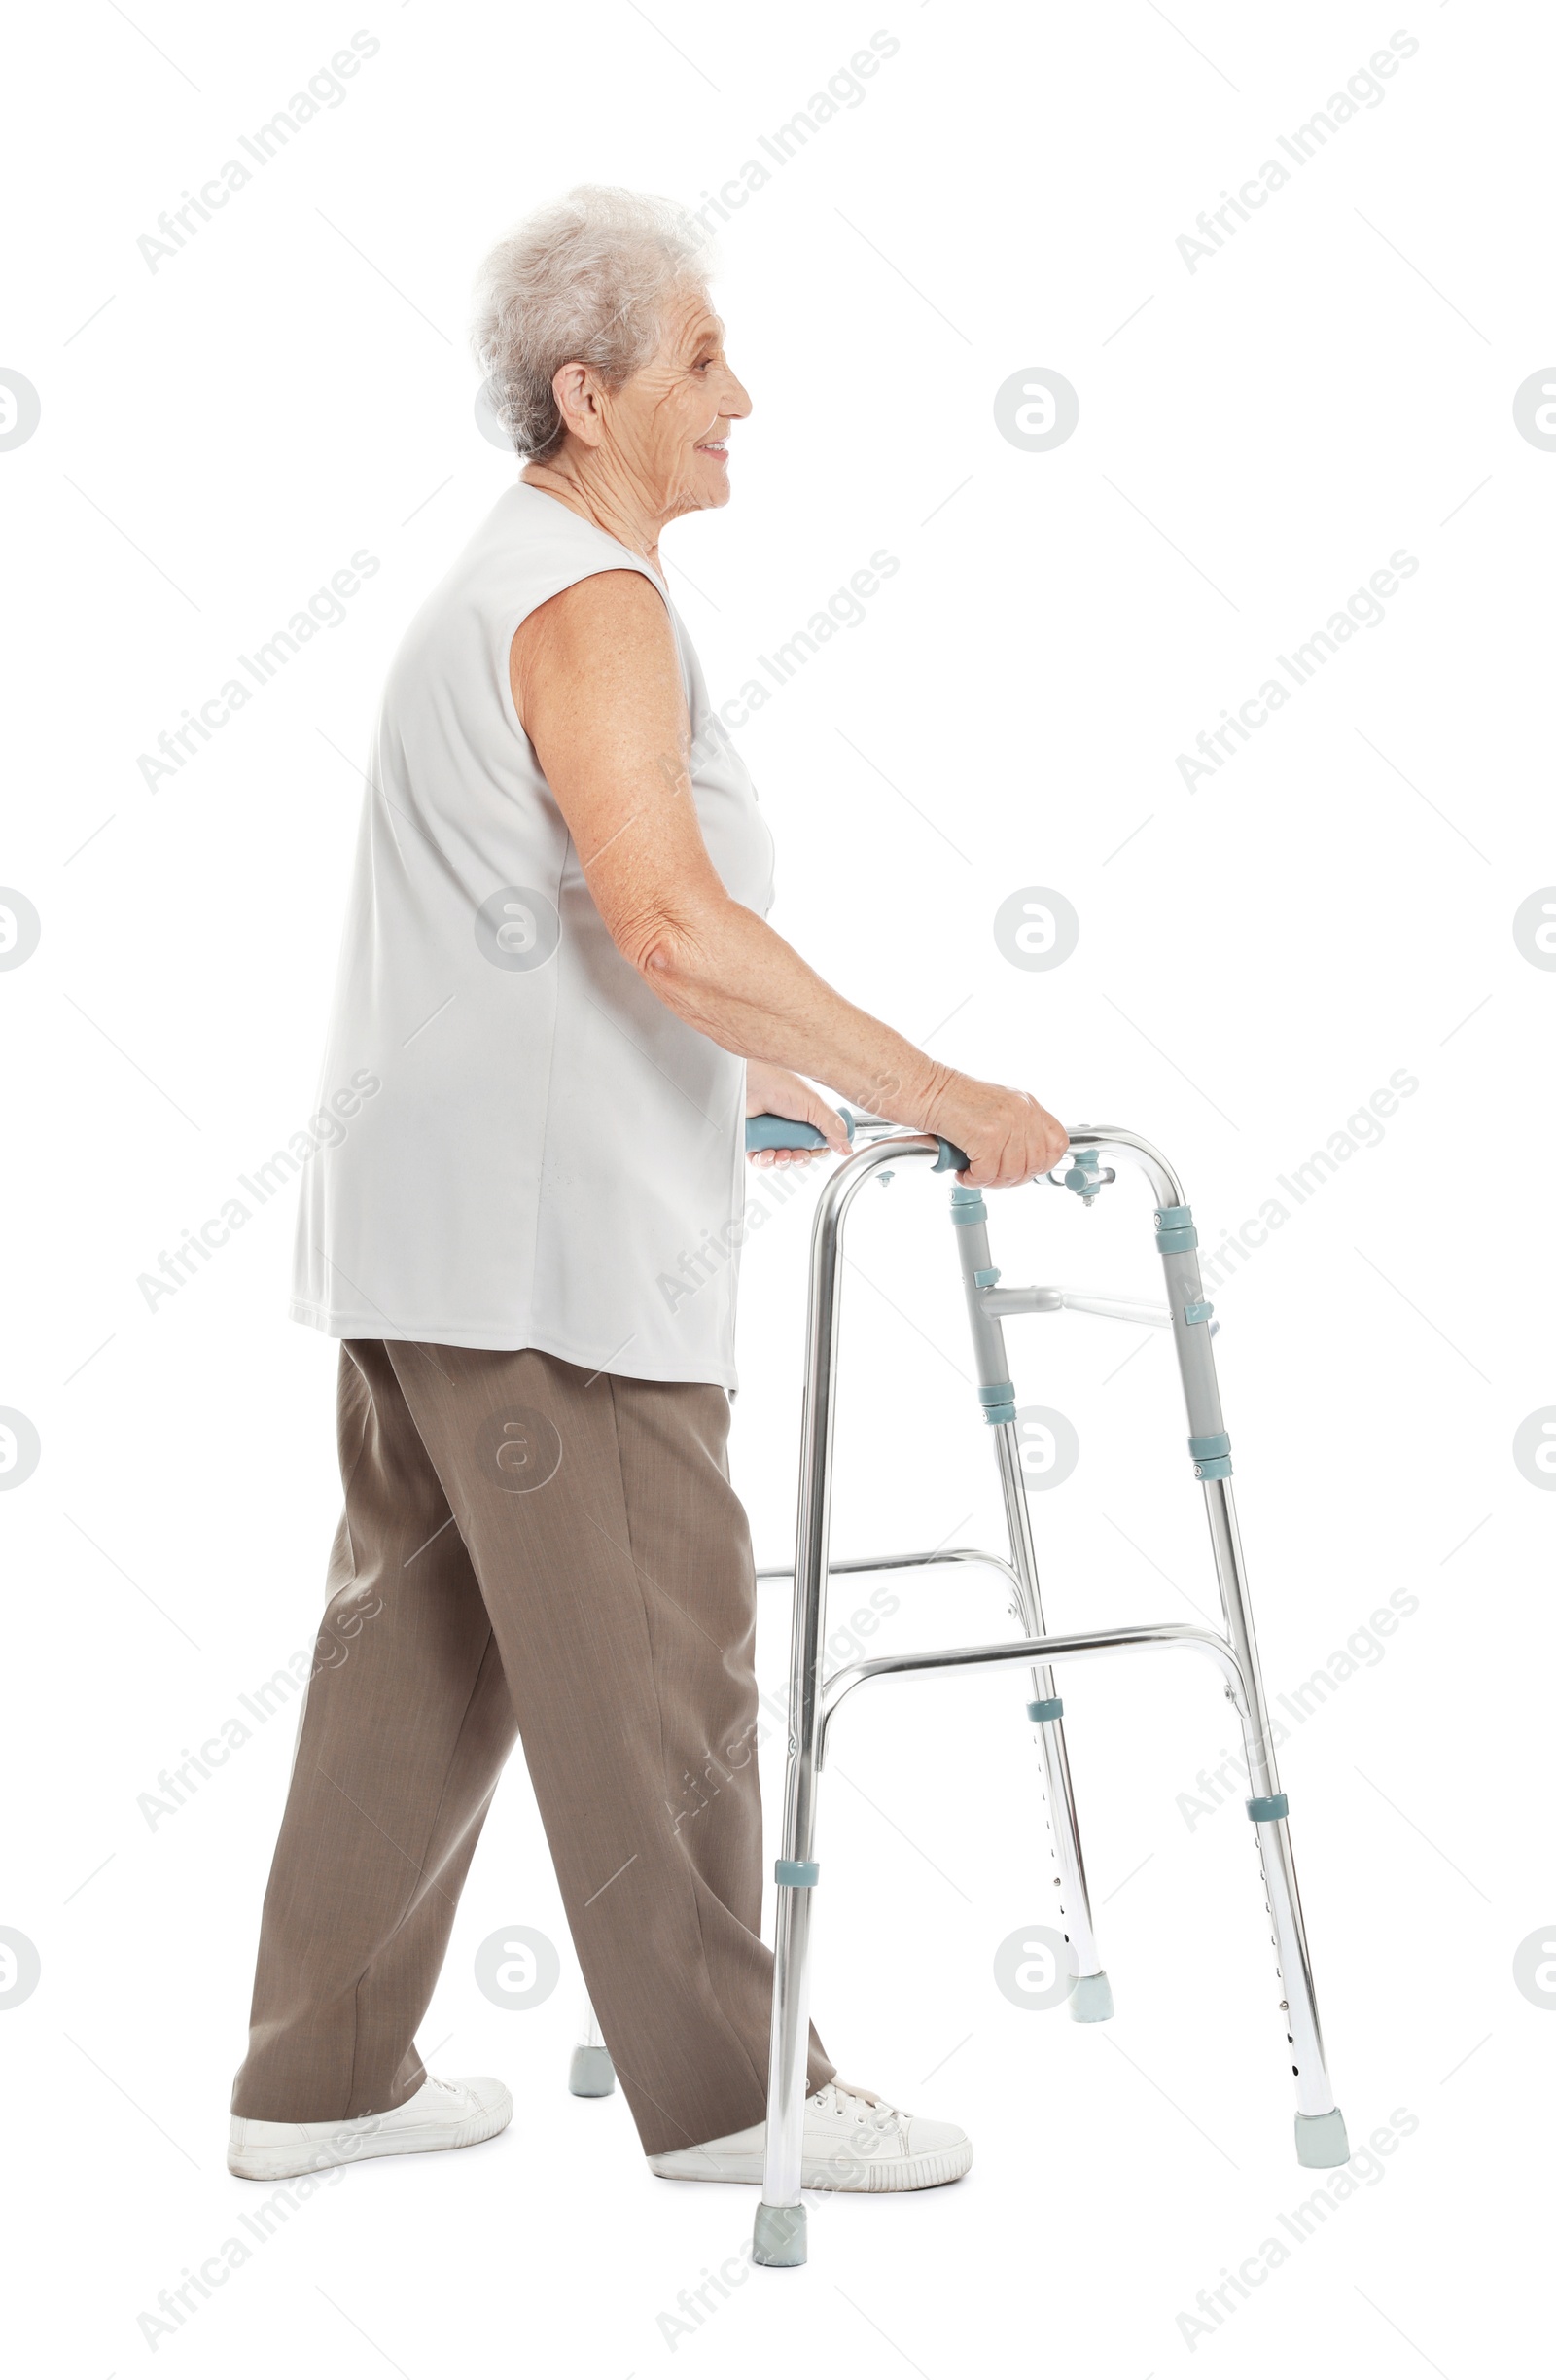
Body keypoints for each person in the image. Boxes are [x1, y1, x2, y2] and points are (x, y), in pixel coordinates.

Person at [228, 185, 1068, 2193]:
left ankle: (316, 2078)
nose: (740, 398)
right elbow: (670, 921)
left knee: (416, 1656)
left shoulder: (513, 582)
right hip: (543, 1264)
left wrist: (750, 1082)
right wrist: (940, 1088)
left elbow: (568, 935)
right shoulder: (583, 605)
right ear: (584, 391)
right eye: (699, 362)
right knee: (663, 1649)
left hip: (433, 1230)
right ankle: (736, 2107)